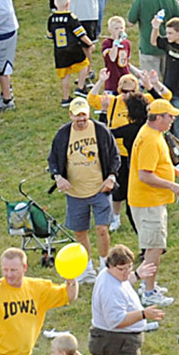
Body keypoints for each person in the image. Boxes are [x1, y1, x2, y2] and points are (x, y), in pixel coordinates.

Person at [127, 99, 179, 306]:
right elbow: (145, 175)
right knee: (154, 246)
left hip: (151, 201)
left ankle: (148, 284)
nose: (172, 119)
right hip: (147, 202)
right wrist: (172, 186)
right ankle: (149, 291)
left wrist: (175, 171)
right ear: (158, 117)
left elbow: (157, 165)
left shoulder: (153, 134)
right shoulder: (150, 139)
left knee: (154, 245)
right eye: (169, 116)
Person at [49, 99, 120, 277]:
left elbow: (114, 156)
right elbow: (53, 160)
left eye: (83, 115)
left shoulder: (100, 131)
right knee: (80, 231)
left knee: (102, 229)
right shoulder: (63, 134)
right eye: (77, 115)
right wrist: (58, 177)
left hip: (99, 188)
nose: (81, 119)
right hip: (75, 192)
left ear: (88, 113)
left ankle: (104, 265)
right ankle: (87, 266)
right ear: (70, 115)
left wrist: (111, 177)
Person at [88, 245, 161, 355]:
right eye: (122, 269)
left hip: (122, 342)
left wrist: (136, 275)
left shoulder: (113, 277)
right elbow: (116, 321)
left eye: (129, 267)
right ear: (110, 266)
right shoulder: (109, 289)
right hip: (115, 341)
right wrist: (144, 314)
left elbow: (124, 282)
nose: (126, 272)